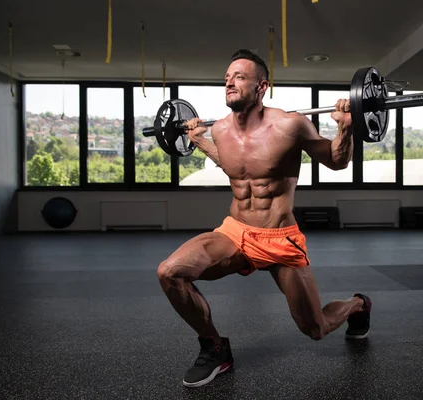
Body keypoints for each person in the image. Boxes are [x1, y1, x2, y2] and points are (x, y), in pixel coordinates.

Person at [157, 49, 372, 388]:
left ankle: (358, 304)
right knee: (169, 273)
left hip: (278, 238)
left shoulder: (290, 125)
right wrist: (197, 139)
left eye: (239, 77)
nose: (229, 82)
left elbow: (336, 160)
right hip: (235, 232)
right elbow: (233, 166)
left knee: (315, 328)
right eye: (227, 78)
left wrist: (346, 127)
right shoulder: (221, 130)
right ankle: (214, 346)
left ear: (262, 87)